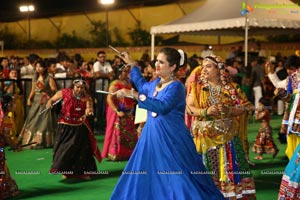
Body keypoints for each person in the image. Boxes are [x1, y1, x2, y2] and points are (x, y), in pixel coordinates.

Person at [110, 47, 224, 199]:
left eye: (161, 62)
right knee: (148, 175)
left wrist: (132, 94)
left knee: (179, 177)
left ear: (172, 67)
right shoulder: (155, 84)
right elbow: (141, 83)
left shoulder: (176, 87)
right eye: (157, 61)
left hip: (171, 138)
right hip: (151, 137)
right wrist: (131, 63)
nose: (156, 64)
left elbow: (162, 107)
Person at [186, 55, 256, 199]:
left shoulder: (231, 88)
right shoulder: (196, 87)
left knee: (229, 168)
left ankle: (229, 195)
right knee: (207, 168)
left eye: (208, 66)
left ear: (219, 70)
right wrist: (205, 111)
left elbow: (246, 106)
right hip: (203, 139)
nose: (204, 69)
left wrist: (229, 110)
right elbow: (189, 107)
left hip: (227, 137)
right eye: (203, 66)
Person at [47, 78, 101, 180]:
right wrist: (49, 103)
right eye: (77, 87)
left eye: (82, 87)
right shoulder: (65, 92)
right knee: (64, 149)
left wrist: (88, 111)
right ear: (73, 86)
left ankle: (83, 173)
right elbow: (52, 99)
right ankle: (66, 172)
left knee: (82, 150)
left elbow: (89, 108)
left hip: (79, 126)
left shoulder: (87, 97)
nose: (79, 89)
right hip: (65, 125)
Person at [18, 60, 58, 149]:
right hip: (36, 101)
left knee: (45, 121)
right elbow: (33, 90)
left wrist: (45, 89)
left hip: (46, 101)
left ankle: (43, 141)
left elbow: (54, 90)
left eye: (40, 67)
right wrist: (29, 99)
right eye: (37, 67)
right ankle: (30, 140)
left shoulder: (49, 78)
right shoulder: (35, 77)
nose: (38, 69)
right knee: (32, 119)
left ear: (45, 68)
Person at [102, 67, 138, 161]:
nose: (127, 73)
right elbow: (109, 99)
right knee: (116, 131)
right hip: (117, 111)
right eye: (125, 71)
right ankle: (115, 153)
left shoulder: (129, 83)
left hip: (128, 111)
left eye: (127, 71)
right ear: (119, 73)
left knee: (129, 131)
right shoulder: (115, 84)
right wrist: (117, 111)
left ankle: (128, 153)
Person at [0, 100, 20, 199]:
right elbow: (7, 137)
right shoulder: (6, 119)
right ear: (8, 106)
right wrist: (15, 146)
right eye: (13, 103)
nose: (15, 105)